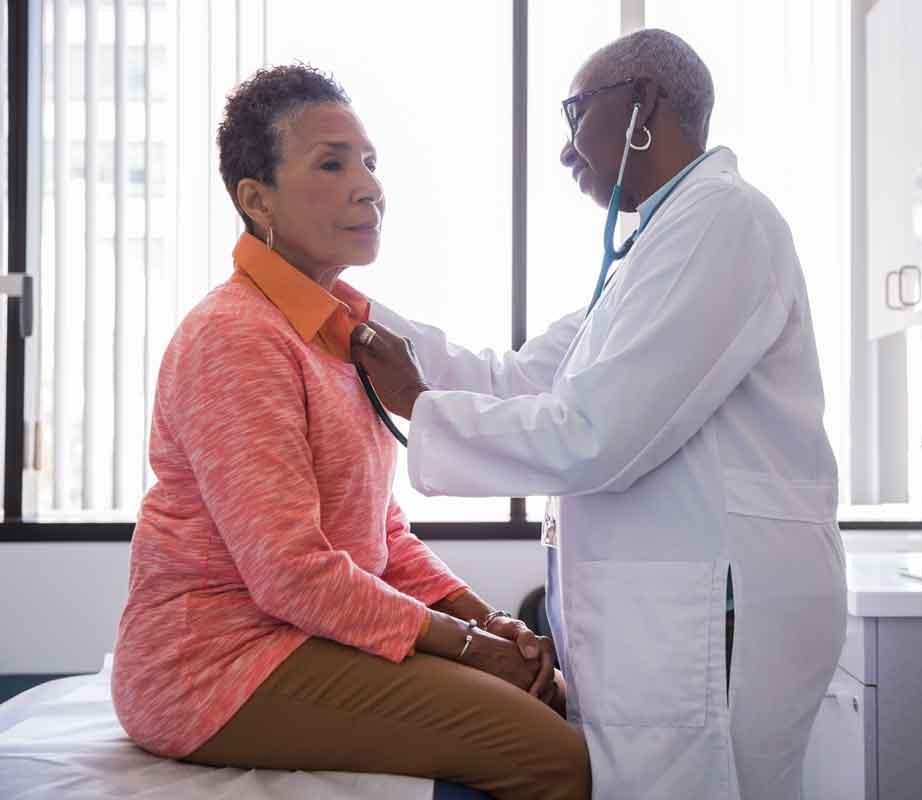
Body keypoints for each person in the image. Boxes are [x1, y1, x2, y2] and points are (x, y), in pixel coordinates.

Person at [350, 29, 847, 800]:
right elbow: (515, 377)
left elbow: (600, 433)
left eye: (575, 113)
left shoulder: (723, 221)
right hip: (672, 613)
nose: (564, 148)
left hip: (715, 614)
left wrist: (419, 405)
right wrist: (346, 310)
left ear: (643, 103)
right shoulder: (658, 245)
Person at [110, 64, 590, 800]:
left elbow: (381, 533)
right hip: (214, 664)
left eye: (369, 162)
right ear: (255, 198)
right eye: (331, 163)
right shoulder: (234, 337)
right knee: (556, 759)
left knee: (546, 702)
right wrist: (470, 649)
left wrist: (487, 621)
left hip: (300, 636)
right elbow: (292, 573)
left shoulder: (344, 330)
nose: (367, 186)